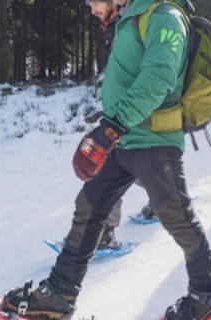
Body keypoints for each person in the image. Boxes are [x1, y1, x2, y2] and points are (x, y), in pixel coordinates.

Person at [0, 1, 211, 319]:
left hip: (153, 142)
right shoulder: (131, 19)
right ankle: (60, 293)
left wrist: (111, 127)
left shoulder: (164, 15)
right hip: (125, 139)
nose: (91, 8)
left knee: (177, 216)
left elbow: (159, 77)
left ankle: (207, 293)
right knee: (89, 207)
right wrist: (112, 128)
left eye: (93, 1)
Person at [86, 0, 157, 235]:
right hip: (125, 114)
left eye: (95, 2)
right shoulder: (117, 26)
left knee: (108, 167)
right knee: (133, 167)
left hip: (131, 115)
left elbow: (148, 73)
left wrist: (122, 113)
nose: (93, 10)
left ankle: (103, 232)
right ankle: (165, 199)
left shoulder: (132, 24)